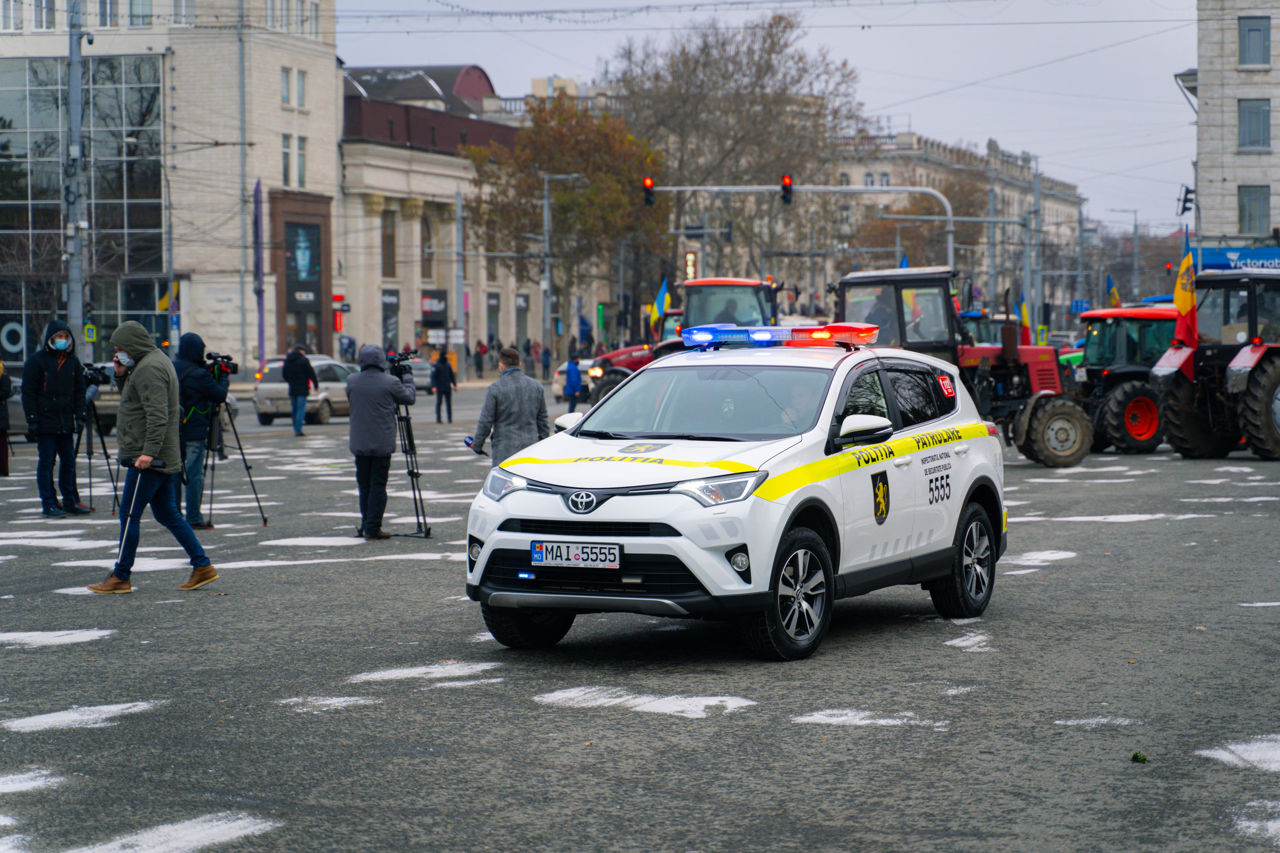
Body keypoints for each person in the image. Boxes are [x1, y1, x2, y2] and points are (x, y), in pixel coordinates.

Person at [88, 321, 216, 594]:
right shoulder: (151, 362)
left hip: (149, 459)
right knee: (168, 513)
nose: (117, 354)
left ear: (133, 345)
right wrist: (121, 375)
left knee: (129, 513)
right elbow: (136, 400)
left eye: (121, 349)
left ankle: (121, 575)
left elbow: (158, 414)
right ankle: (202, 565)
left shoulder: (149, 368)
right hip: (159, 455)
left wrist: (147, 452)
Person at [346, 344, 415, 540]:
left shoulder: (352, 381)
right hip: (381, 442)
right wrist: (408, 379)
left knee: (364, 485)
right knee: (378, 484)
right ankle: (373, 528)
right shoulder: (390, 382)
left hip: (359, 443)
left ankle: (366, 523)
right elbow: (409, 398)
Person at [21, 320, 90, 517]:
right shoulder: (37, 361)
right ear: (50, 339)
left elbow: (79, 391)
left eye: (65, 337)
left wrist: (81, 415)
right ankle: (49, 502)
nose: (62, 340)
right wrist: (32, 419)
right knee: (47, 463)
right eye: (58, 337)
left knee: (68, 462)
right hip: (45, 423)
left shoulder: (72, 362)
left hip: (65, 423)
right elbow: (28, 392)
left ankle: (70, 500)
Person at [172, 332, 228, 529]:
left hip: (173, 431)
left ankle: (174, 516)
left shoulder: (172, 368)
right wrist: (223, 376)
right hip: (194, 431)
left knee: (174, 474)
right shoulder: (199, 374)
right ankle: (194, 517)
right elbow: (219, 395)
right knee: (194, 475)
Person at [473, 347, 549, 468]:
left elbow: (485, 421)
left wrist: (477, 444)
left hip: (504, 450)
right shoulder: (536, 387)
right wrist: (544, 443)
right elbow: (543, 421)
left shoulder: (495, 389)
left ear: (501, 366)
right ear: (520, 364)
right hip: (530, 449)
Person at [281, 345, 317, 436]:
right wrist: (315, 383)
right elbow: (311, 373)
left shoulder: (288, 360)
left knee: (294, 408)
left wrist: (290, 381)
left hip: (292, 387)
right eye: (304, 351)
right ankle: (298, 429)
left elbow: (284, 374)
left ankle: (295, 427)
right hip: (302, 388)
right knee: (301, 409)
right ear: (301, 351)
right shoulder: (303, 360)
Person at [430, 349, 457, 423]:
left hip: (447, 387)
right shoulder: (436, 365)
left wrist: (454, 385)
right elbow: (433, 376)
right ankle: (438, 419)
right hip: (439, 387)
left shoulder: (448, 364)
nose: (446, 356)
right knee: (439, 403)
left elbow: (451, 375)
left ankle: (449, 419)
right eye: (445, 355)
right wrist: (433, 386)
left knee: (449, 404)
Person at [0, 361, 10, 477]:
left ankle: (3, 469)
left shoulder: (3, 372)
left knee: (1, 443)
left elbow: (6, 391)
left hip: (1, 414)